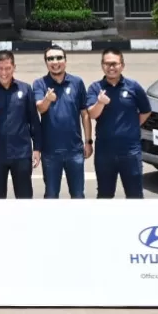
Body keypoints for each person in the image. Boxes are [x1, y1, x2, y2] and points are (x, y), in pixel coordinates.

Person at [87, 47, 152, 199]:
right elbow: (91, 114)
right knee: (104, 195)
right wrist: (100, 102)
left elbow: (146, 111)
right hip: (105, 153)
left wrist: (132, 127)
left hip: (130, 152)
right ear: (102, 65)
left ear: (122, 65)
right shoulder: (96, 88)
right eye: (107, 64)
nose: (111, 67)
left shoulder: (133, 86)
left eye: (115, 64)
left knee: (135, 195)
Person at [33, 44, 93, 199]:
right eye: (50, 58)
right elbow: (40, 108)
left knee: (78, 195)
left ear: (65, 60)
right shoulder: (40, 83)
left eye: (59, 57)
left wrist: (88, 142)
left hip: (75, 150)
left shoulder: (77, 82)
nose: (55, 61)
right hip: (50, 151)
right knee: (51, 195)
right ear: (46, 62)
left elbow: (85, 114)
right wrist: (48, 99)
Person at [0, 50, 41, 199]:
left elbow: (34, 120)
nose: (4, 73)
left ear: (14, 67)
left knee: (24, 197)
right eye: (0, 68)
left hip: (21, 154)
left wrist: (37, 148)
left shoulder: (25, 89)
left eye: (7, 68)